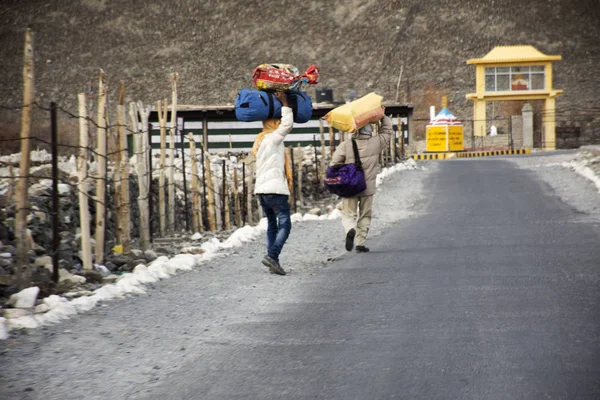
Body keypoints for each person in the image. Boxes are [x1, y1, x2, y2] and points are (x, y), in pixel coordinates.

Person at [330, 115, 393, 253]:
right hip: (367, 188)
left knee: (348, 214)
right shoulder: (376, 143)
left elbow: (334, 163)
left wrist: (345, 169)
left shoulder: (346, 145)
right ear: (369, 131)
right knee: (365, 215)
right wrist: (383, 117)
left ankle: (350, 229)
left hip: (350, 185)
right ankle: (360, 242)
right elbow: (387, 131)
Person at [251, 91, 294, 275]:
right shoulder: (272, 139)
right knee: (285, 224)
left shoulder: (259, 140)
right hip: (274, 190)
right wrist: (285, 102)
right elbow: (288, 125)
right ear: (273, 124)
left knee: (272, 224)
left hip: (262, 190)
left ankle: (272, 260)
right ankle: (273, 256)